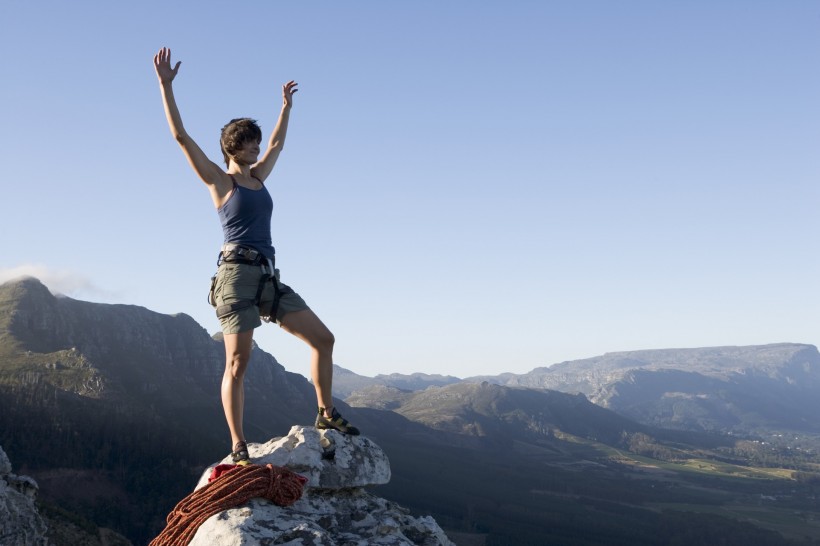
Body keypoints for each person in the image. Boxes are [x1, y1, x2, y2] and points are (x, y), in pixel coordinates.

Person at [153, 47, 359, 465]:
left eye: (257, 143)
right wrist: (165, 85)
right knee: (237, 363)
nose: (257, 148)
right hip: (234, 277)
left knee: (323, 339)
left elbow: (279, 143)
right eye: (250, 143)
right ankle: (238, 444)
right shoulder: (220, 180)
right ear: (234, 146)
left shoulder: (259, 178)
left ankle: (325, 414)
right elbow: (180, 137)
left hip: (266, 277)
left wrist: (285, 107)